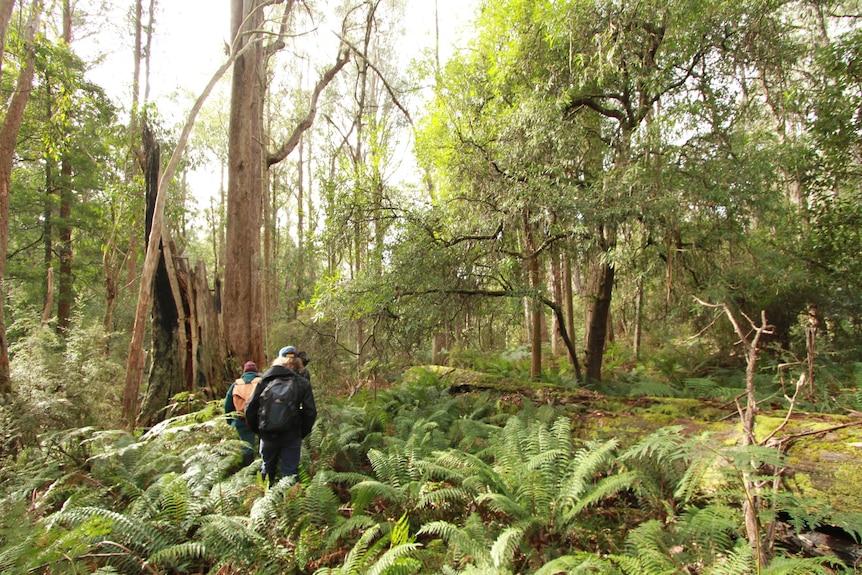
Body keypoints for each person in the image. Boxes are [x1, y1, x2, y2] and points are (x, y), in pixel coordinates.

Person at [246, 349, 317, 486]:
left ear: (278, 361)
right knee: (290, 474)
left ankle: (266, 501)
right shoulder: (302, 383)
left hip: (267, 435)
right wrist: (301, 433)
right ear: (298, 362)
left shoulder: (265, 380)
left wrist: (260, 430)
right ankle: (288, 503)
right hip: (291, 435)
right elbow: (310, 412)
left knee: (267, 468)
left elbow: (250, 408)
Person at [224, 361, 261, 468]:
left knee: (246, 445)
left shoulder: (236, 384)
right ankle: (263, 468)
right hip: (260, 418)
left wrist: (230, 420)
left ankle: (247, 470)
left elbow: (228, 405)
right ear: (256, 371)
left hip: (241, 419)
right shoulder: (262, 382)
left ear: (244, 372)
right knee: (264, 443)